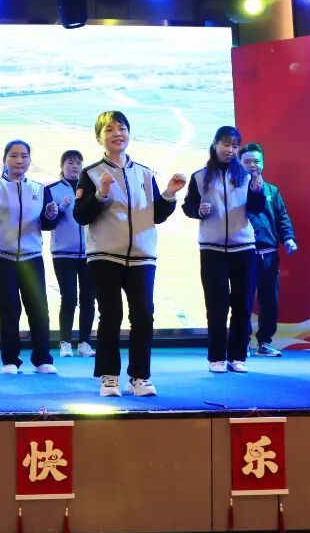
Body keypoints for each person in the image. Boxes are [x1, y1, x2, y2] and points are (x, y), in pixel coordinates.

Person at [74, 111, 185, 397]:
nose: (117, 134)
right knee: (111, 316)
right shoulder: (91, 173)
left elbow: (156, 215)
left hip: (142, 256)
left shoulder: (145, 173)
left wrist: (169, 194)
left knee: (144, 316)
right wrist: (101, 194)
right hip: (104, 256)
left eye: (122, 128)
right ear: (99, 137)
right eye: (110, 129)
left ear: (129, 134)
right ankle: (109, 377)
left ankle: (140, 377)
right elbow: (80, 215)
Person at [183, 126, 264, 374]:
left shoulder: (247, 176)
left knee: (242, 304)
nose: (230, 150)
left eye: (235, 146)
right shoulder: (200, 177)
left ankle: (237, 356)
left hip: (244, 248)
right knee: (216, 306)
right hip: (212, 249)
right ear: (215, 144)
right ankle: (216, 357)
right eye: (226, 145)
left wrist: (257, 191)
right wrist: (199, 211)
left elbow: (257, 209)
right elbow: (188, 207)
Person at [0, 140, 60, 374]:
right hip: (2, 258)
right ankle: (10, 360)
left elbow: (47, 223)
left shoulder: (39, 189)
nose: (19, 160)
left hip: (32, 259)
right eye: (13, 156)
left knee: (39, 311)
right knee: (9, 311)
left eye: (24, 156)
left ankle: (42, 359)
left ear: (30, 160)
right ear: (4, 160)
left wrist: (51, 214)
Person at [239, 142, 295, 357]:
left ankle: (264, 342)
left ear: (262, 163)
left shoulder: (272, 191)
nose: (252, 165)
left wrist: (288, 239)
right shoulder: (235, 191)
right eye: (247, 162)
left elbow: (282, 218)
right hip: (244, 253)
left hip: (269, 254)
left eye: (256, 161)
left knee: (269, 301)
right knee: (242, 300)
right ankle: (241, 343)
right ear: (240, 163)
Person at [46, 150, 96, 360]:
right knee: (68, 298)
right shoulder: (51, 190)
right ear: (62, 166)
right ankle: (65, 343)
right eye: (70, 163)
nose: (75, 166)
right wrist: (59, 208)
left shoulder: (92, 189)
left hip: (90, 253)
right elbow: (46, 222)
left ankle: (84, 343)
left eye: (78, 163)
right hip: (63, 254)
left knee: (88, 300)